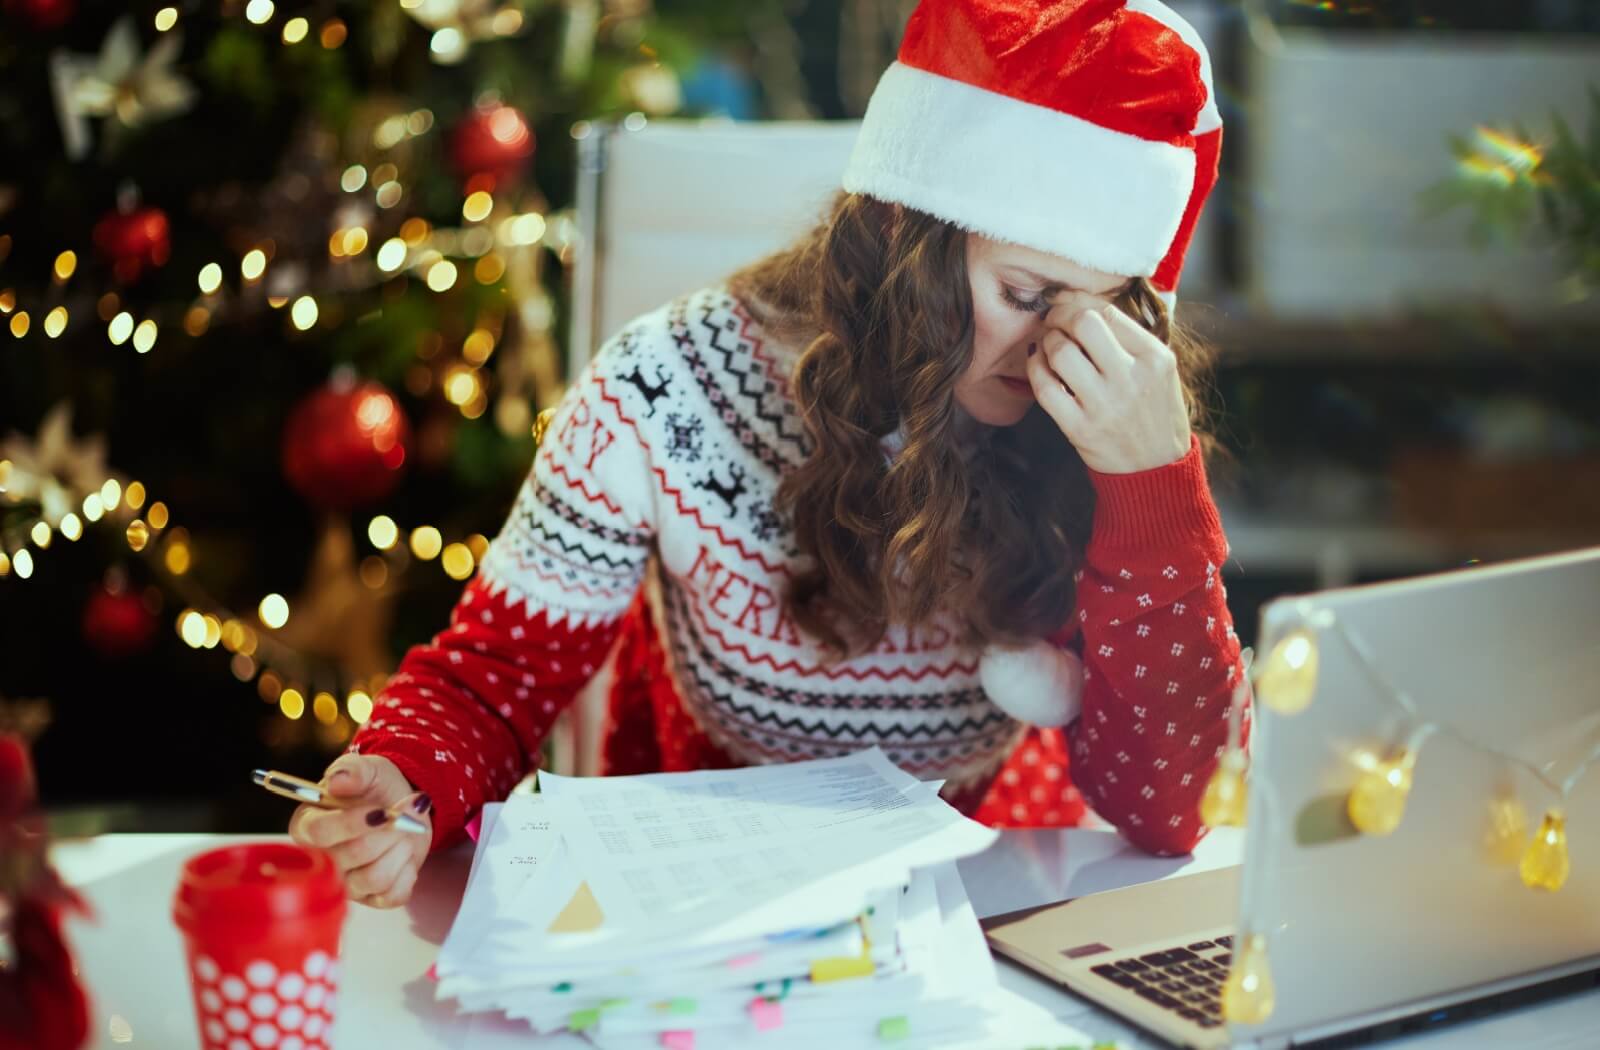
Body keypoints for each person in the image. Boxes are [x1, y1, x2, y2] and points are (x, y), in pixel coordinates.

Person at [290, 0, 1247, 909]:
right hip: (701, 910)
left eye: (1103, 304)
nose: (1058, 352)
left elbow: (1175, 810)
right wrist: (405, 783)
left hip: (988, 916)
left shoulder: (1109, 417)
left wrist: (1152, 487)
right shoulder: (663, 391)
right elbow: (495, 677)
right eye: (1026, 293)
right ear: (903, 234)